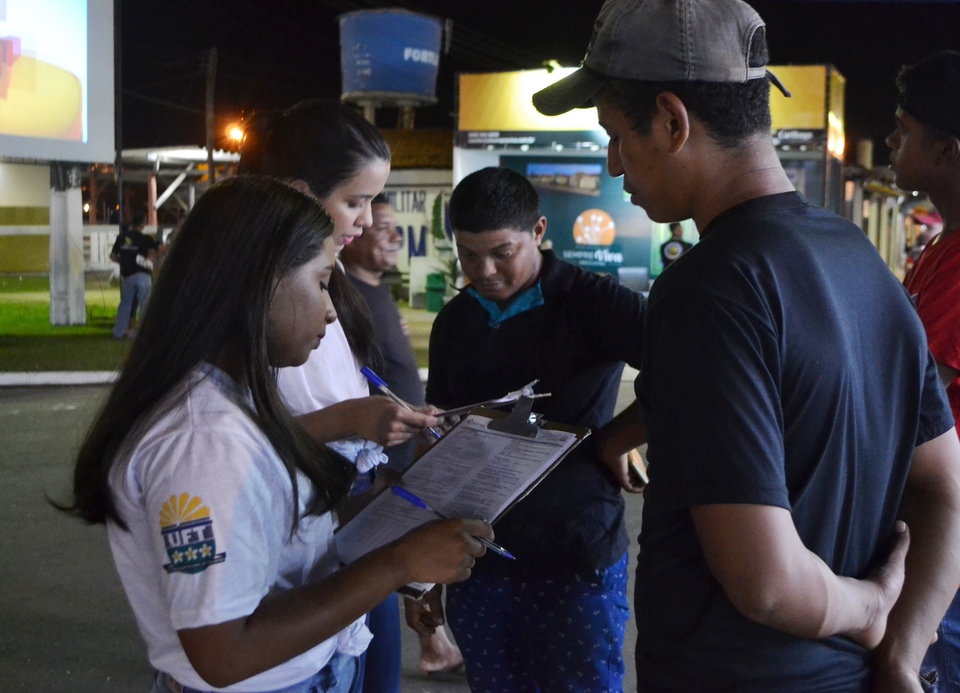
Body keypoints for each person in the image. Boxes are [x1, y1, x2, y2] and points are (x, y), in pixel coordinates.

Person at [532, 0, 960, 690]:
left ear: (672, 122)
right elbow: (945, 489)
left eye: (616, 134)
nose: (614, 164)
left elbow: (765, 582)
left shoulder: (710, 288)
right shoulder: (862, 262)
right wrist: (901, 656)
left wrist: (872, 608)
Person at [62, 176, 491, 693]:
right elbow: (223, 654)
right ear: (261, 283)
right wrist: (399, 562)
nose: (331, 311)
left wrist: (408, 512)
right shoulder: (206, 441)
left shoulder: (231, 400)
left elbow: (278, 530)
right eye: (320, 282)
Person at [236, 99, 448, 693]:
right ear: (301, 194)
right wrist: (351, 418)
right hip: (295, 569)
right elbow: (229, 446)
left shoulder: (324, 287)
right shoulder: (256, 306)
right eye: (356, 201)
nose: (368, 220)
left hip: (343, 536)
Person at [410, 166, 646, 692]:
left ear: (538, 231)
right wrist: (420, 578)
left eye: (501, 252)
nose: (484, 269)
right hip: (479, 562)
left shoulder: (594, 303)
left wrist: (618, 438)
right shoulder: (455, 321)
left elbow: (691, 365)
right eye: (468, 254)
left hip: (573, 557)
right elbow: (439, 440)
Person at [339, 193, 467, 675]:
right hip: (372, 468)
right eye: (372, 220)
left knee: (406, 567)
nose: (390, 233)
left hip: (399, 452)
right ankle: (432, 647)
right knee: (385, 573)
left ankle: (433, 645)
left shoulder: (371, 289)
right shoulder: (342, 297)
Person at [888, 50, 960, 692]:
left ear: (947, 150)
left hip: (949, 542)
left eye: (902, 130)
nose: (890, 140)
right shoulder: (938, 246)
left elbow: (909, 395)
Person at [110, 213, 157, 339]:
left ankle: (119, 332)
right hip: (143, 275)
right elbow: (152, 254)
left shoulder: (121, 238)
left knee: (126, 303)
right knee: (144, 304)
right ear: (143, 224)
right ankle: (143, 333)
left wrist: (123, 263)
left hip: (127, 275)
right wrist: (147, 262)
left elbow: (113, 256)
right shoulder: (146, 239)